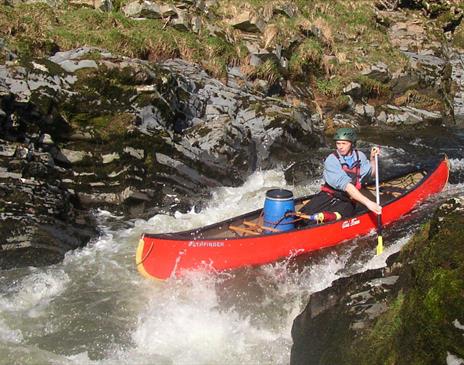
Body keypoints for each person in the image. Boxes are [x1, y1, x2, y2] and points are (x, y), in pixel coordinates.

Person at [299, 127, 382, 224]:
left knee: (337, 217)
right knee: (302, 218)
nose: (340, 147)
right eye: (338, 143)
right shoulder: (331, 160)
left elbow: (371, 174)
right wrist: (368, 203)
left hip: (347, 201)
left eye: (344, 143)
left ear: (351, 143)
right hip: (328, 196)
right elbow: (347, 186)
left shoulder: (360, 156)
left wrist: (372, 159)